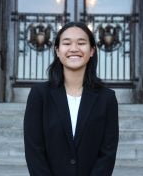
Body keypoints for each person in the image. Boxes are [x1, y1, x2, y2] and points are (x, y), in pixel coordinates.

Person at [24, 21, 119, 176]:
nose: (74, 49)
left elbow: (107, 153)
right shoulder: (40, 94)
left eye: (81, 43)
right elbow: (34, 151)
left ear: (92, 50)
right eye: (67, 43)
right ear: (57, 50)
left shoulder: (106, 98)